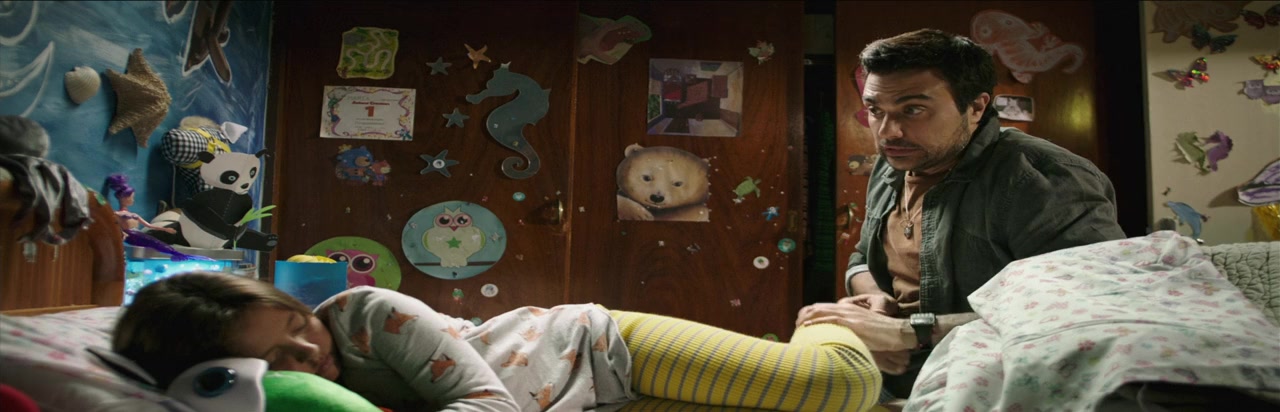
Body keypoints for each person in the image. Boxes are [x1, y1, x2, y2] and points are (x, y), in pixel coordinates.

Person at [796, 29, 1125, 401]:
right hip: (894, 378)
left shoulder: (1042, 179)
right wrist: (876, 301)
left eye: (913, 109)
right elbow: (861, 258)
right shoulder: (893, 165)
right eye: (875, 110)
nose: (888, 132)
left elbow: (1089, 315)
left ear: (976, 107)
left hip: (991, 389)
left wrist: (910, 333)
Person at [114, 272, 885, 411]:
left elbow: (486, 403)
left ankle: (825, 319)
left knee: (837, 388)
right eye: (276, 360)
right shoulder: (264, 401)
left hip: (591, 348)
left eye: (296, 326)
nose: (307, 356)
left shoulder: (365, 314)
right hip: (584, 411)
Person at [104, 173, 175, 234]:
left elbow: (149, 225)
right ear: (123, 198)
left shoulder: (133, 215)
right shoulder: (117, 214)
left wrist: (165, 229)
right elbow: (112, 227)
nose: (133, 200)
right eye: (131, 198)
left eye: (133, 198)